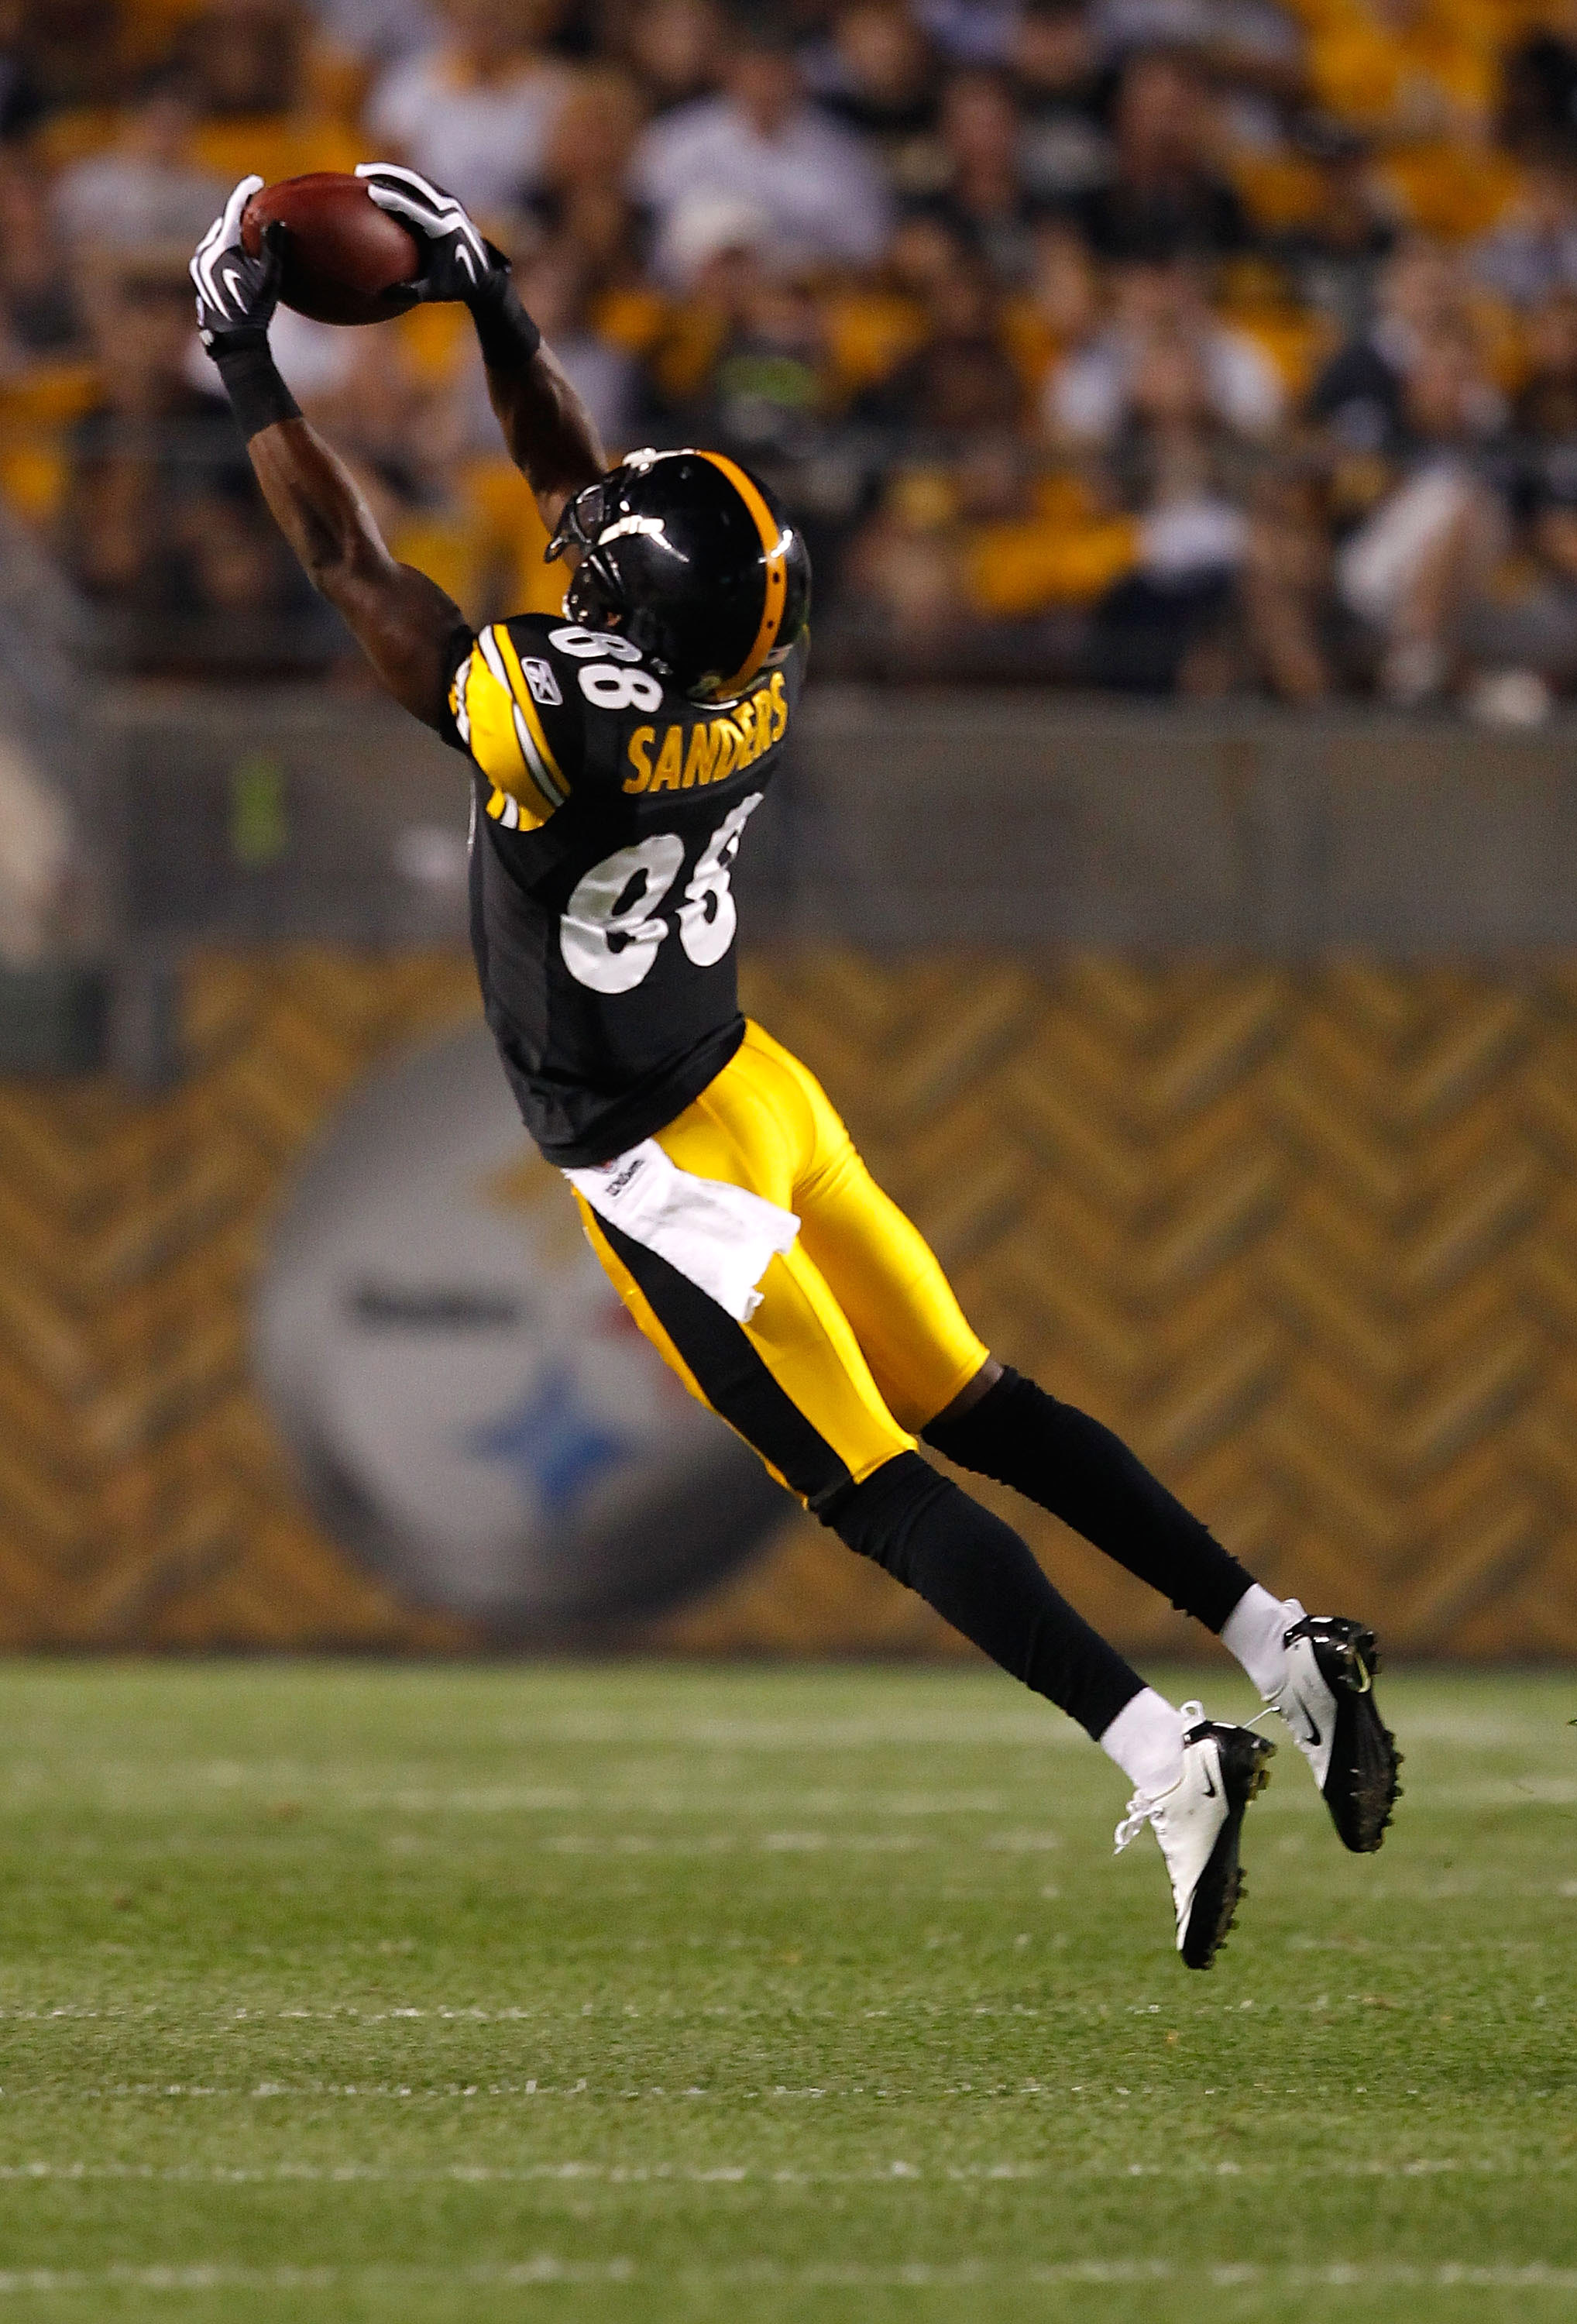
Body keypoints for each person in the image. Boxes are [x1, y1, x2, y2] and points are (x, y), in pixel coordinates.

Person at [188, 160, 1401, 1969]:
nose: (575, 536)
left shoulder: (550, 727)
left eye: (600, 561)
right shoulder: (754, 665)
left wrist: (246, 364)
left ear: (624, 616)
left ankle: (1165, 1750)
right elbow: (575, 484)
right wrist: (494, 304)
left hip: (661, 1163)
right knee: (977, 1399)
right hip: (765, 1088)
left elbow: (349, 561)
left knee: (872, 1482)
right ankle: (1273, 1635)